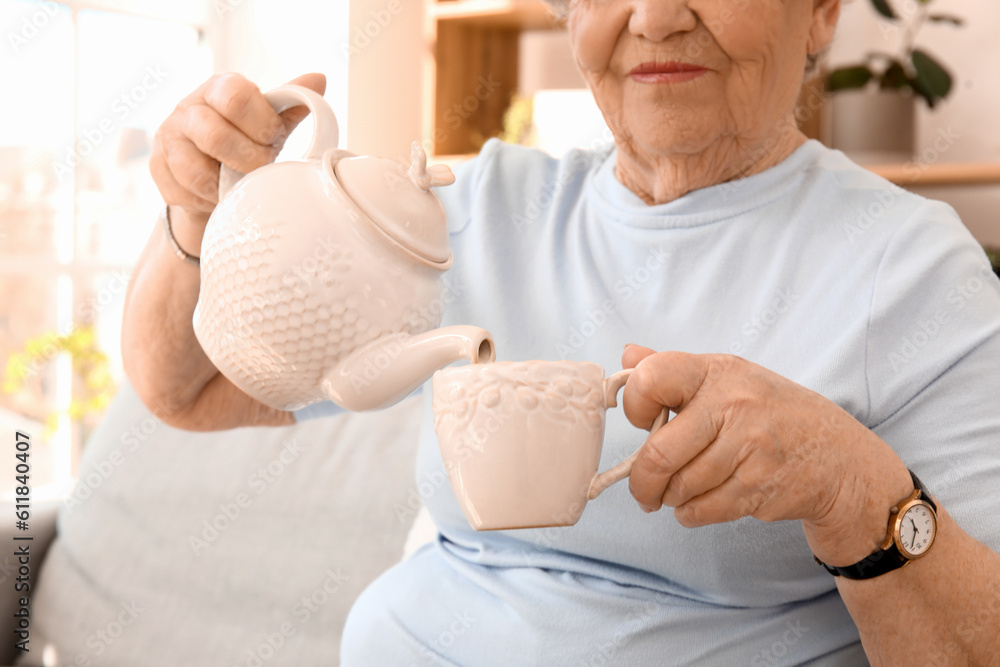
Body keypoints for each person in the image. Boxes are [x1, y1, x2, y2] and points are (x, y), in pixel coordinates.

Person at [123, 0, 1000, 664]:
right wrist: (195, 216)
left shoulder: (910, 270)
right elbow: (190, 386)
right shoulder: (480, 211)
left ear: (820, 11)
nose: (654, 19)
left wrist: (851, 489)